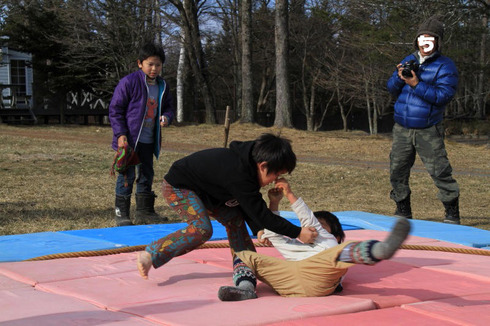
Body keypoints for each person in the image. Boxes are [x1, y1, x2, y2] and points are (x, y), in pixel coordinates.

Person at [137, 133, 319, 301]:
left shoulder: (249, 167)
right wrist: (297, 233)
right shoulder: (239, 174)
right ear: (263, 166)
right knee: (202, 229)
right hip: (180, 187)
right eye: (276, 174)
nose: (276, 179)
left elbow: (249, 207)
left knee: (236, 221)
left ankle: (245, 280)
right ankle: (152, 253)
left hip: (213, 194)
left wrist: (259, 230)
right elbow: (261, 214)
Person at [219, 217, 411, 299]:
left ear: (334, 236)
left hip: (317, 276)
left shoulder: (330, 246)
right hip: (286, 279)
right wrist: (275, 203)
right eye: (310, 229)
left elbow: (335, 253)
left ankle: (380, 250)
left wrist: (292, 195)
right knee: (243, 254)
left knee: (338, 253)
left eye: (320, 229)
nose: (313, 233)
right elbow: (275, 232)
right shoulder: (295, 246)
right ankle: (245, 289)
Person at [386, 15, 460, 224]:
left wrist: (416, 83)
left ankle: (452, 212)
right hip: (402, 127)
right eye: (422, 38)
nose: (425, 42)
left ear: (437, 41)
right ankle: (402, 209)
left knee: (440, 171)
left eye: (430, 38)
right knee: (397, 170)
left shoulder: (446, 66)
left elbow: (442, 97)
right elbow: (391, 89)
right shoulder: (409, 59)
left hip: (428, 128)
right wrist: (399, 76)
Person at [109, 42, 175, 226]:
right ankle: (121, 213)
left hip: (149, 140)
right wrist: (120, 134)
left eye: (158, 65)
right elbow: (115, 110)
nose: (154, 69)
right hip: (129, 142)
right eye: (150, 64)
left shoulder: (163, 86)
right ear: (140, 63)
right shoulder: (129, 82)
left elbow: (169, 107)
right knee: (126, 176)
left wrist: (167, 117)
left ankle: (144, 212)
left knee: (146, 174)